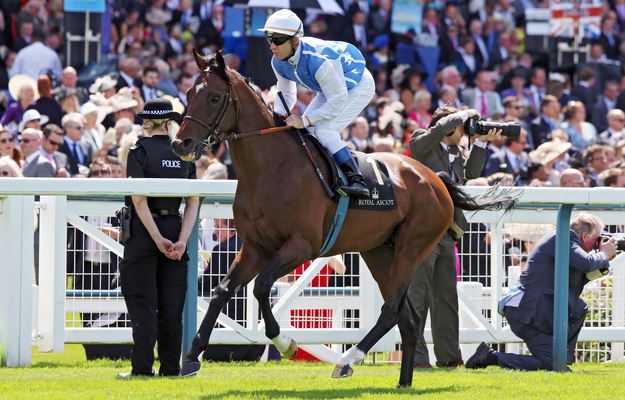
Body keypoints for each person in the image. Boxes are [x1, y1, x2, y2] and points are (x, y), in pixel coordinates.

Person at [408, 106, 502, 368]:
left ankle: (449, 358)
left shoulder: (456, 152)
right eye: (463, 126)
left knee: (446, 299)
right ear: (448, 125)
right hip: (422, 233)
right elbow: (420, 144)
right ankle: (416, 359)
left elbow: (471, 174)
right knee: (418, 298)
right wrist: (460, 116)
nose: (465, 130)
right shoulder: (422, 140)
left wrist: (480, 144)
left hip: (446, 232)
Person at [466, 212, 618, 371]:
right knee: (550, 366)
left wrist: (605, 258)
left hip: (534, 310)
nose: (601, 242)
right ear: (585, 236)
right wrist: (603, 254)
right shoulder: (565, 237)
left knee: (579, 307)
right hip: (526, 313)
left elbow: (577, 278)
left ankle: (560, 359)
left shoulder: (566, 241)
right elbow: (587, 264)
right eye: (598, 238)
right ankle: (490, 357)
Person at [118, 98, 199, 377]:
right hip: (175, 227)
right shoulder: (186, 152)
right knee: (171, 306)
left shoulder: (138, 151)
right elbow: (193, 202)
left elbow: (138, 201)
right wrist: (181, 240)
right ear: (169, 122)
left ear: (147, 122)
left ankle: (141, 368)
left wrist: (155, 238)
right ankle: (170, 368)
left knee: (142, 303)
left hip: (144, 231)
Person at [259, 9, 375, 199]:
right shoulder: (277, 61)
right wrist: (278, 120)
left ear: (295, 41)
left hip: (358, 85)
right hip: (329, 89)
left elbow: (338, 100)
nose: (272, 46)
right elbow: (286, 94)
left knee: (323, 130)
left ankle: (357, 180)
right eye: (269, 38)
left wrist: (304, 119)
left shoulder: (318, 61)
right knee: (307, 132)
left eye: (278, 40)